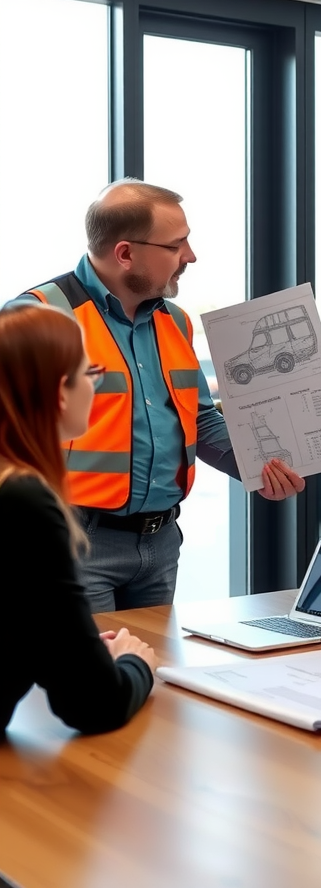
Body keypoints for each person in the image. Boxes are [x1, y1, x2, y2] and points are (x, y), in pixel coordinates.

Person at [16, 178, 305, 612]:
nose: (190, 255)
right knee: (95, 677)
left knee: (149, 673)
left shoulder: (178, 322)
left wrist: (260, 468)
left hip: (161, 545)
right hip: (75, 543)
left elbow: (199, 421)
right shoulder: (39, 317)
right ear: (125, 253)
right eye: (176, 245)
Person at [1, 304, 156, 733]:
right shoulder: (22, 502)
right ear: (59, 392)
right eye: (90, 374)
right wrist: (135, 664)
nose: (96, 388)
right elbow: (93, 705)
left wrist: (75, 652)